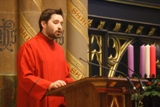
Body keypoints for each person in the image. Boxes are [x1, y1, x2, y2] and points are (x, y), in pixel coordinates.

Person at [16, 8, 74, 107]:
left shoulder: (60, 50)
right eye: (55, 22)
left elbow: (66, 77)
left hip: (58, 103)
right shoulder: (29, 47)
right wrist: (48, 85)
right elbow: (25, 77)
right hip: (37, 102)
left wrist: (81, 85)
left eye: (61, 23)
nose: (60, 27)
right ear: (44, 24)